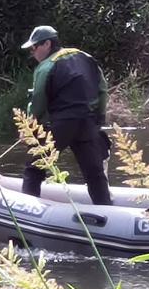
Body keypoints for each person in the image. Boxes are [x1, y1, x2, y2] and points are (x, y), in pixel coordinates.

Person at [19, 25, 113, 205]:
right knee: (94, 173)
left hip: (62, 123)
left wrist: (29, 126)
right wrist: (99, 119)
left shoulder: (46, 66)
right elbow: (102, 89)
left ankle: (27, 208)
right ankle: (105, 208)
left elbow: (38, 100)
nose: (32, 52)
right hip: (87, 122)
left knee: (34, 167)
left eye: (34, 47)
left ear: (47, 44)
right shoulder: (86, 58)